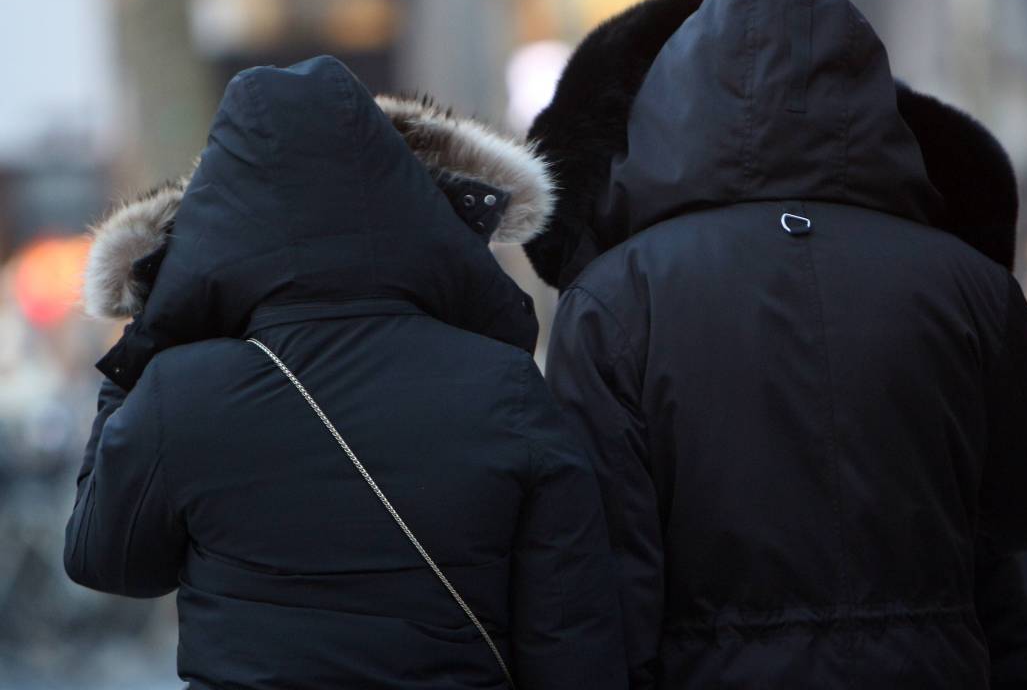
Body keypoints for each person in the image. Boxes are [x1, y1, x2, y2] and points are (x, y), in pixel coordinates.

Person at [523, 0, 1027, 688]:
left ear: (677, 100)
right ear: (869, 94)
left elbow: (605, 571)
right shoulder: (966, 284)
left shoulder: (616, 299)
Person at [64, 56, 625, 690]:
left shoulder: (181, 393)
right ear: (399, 201)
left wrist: (145, 339)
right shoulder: (502, 384)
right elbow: (569, 627)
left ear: (220, 221)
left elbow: (104, 560)